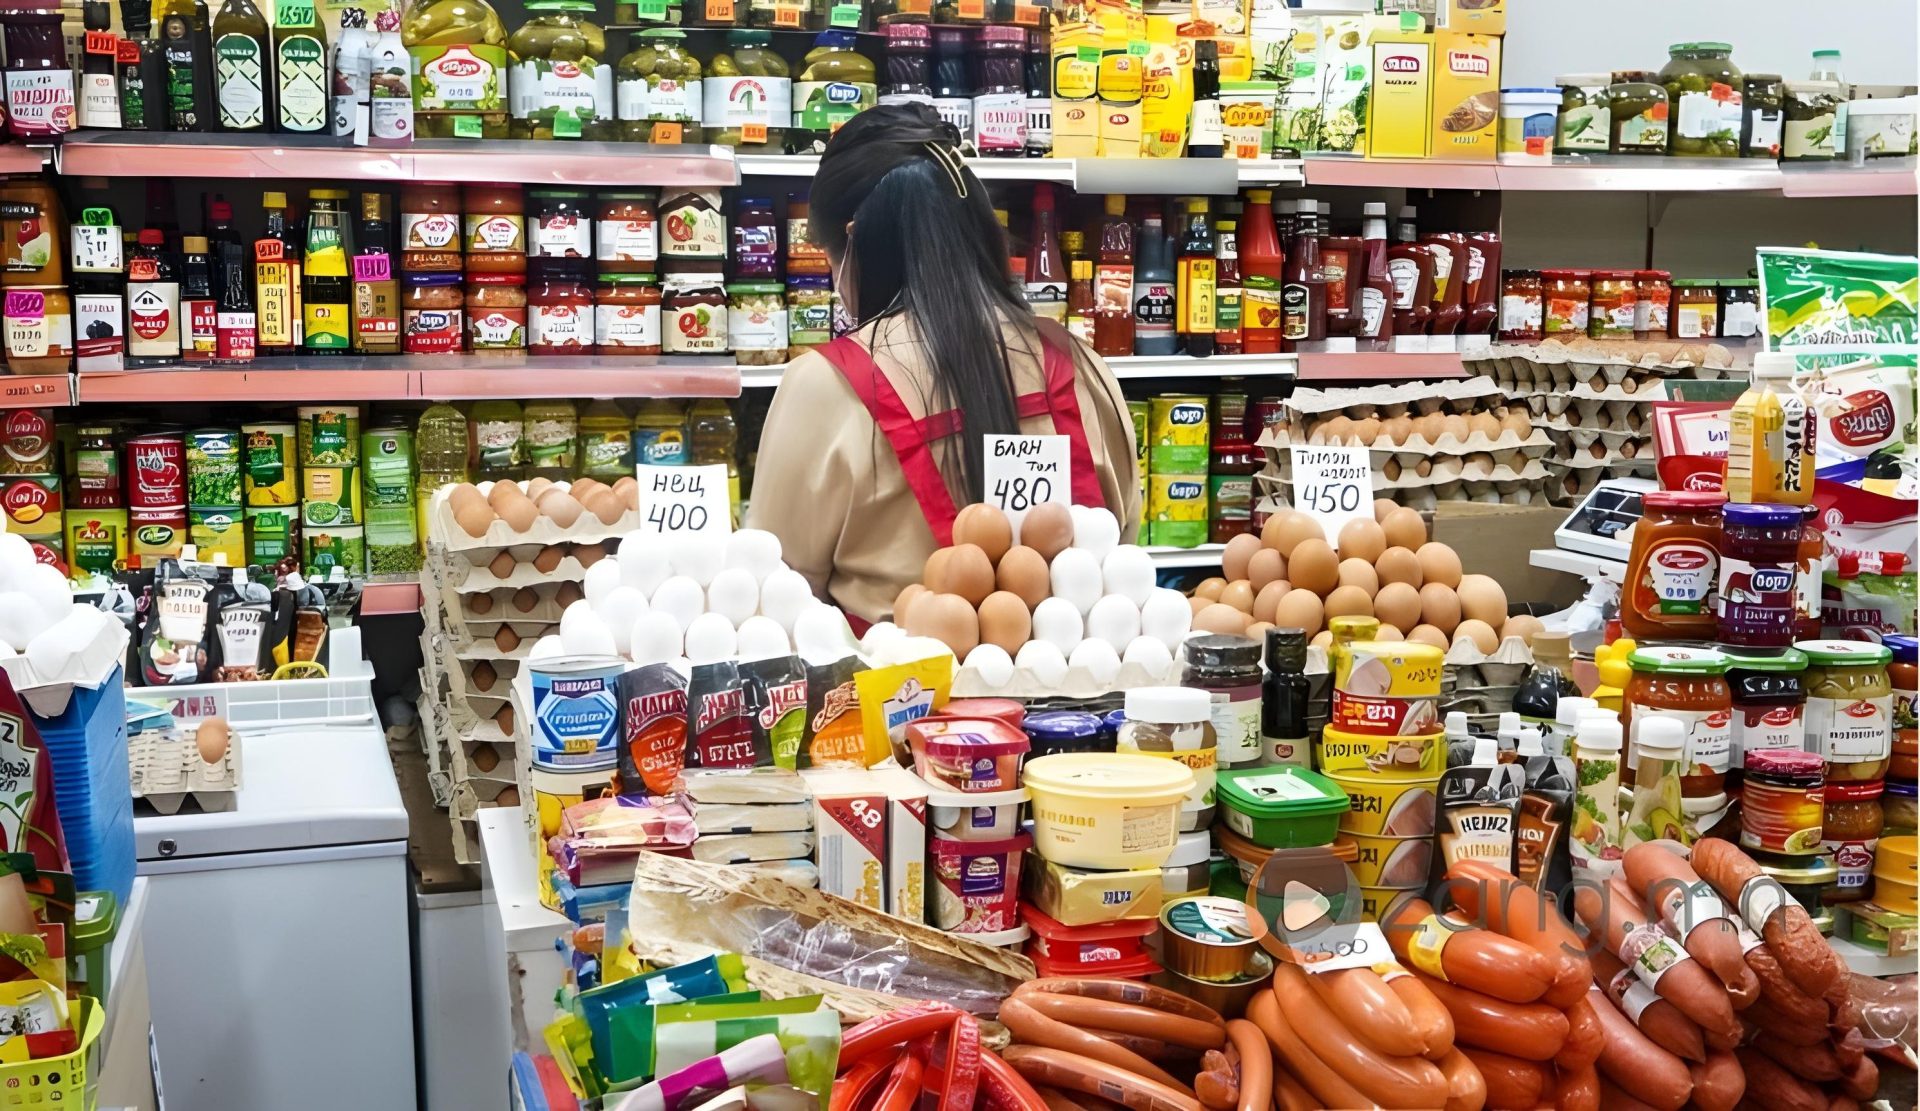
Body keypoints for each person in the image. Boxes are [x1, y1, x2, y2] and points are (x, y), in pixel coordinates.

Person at [747, 105, 1140, 627]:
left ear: (853, 241)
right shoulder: (1080, 363)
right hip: (1079, 701)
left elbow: (777, 597)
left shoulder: (824, 384)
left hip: (899, 702)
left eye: (827, 253)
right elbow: (1123, 548)